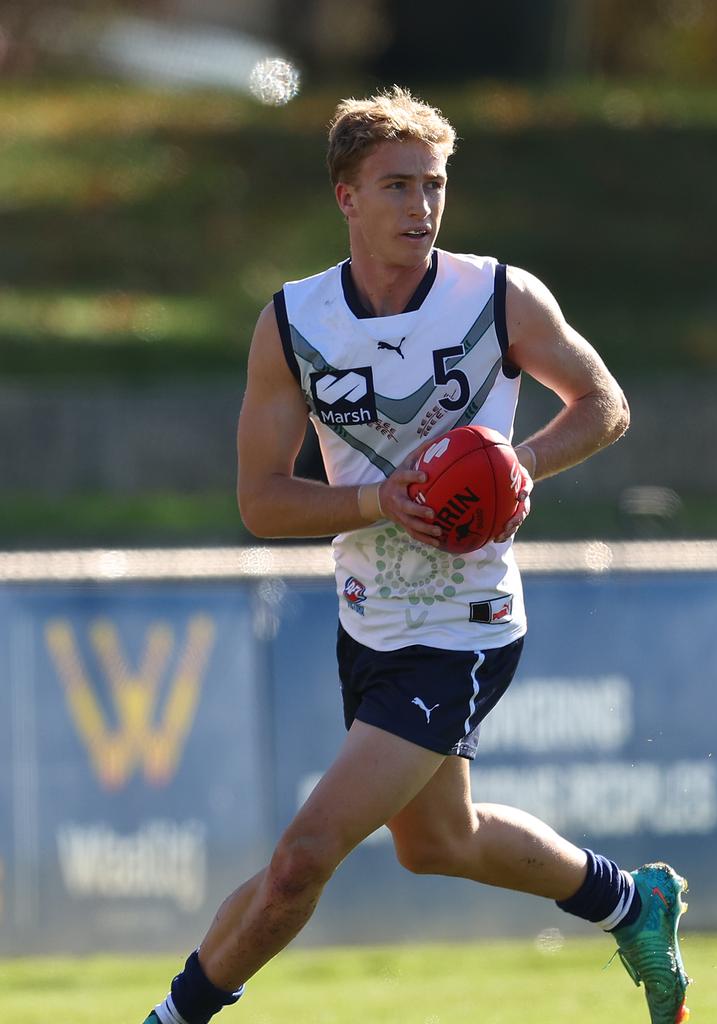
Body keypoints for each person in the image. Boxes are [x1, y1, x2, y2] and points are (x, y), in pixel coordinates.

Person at [143, 86, 689, 1024]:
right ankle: (631, 903)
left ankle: (171, 1018)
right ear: (345, 197)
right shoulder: (292, 324)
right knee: (439, 842)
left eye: (434, 186)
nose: (422, 208)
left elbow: (604, 404)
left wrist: (518, 467)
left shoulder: (498, 295)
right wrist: (380, 501)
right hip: (370, 621)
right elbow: (260, 501)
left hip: (467, 624)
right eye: (397, 187)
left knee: (301, 860)